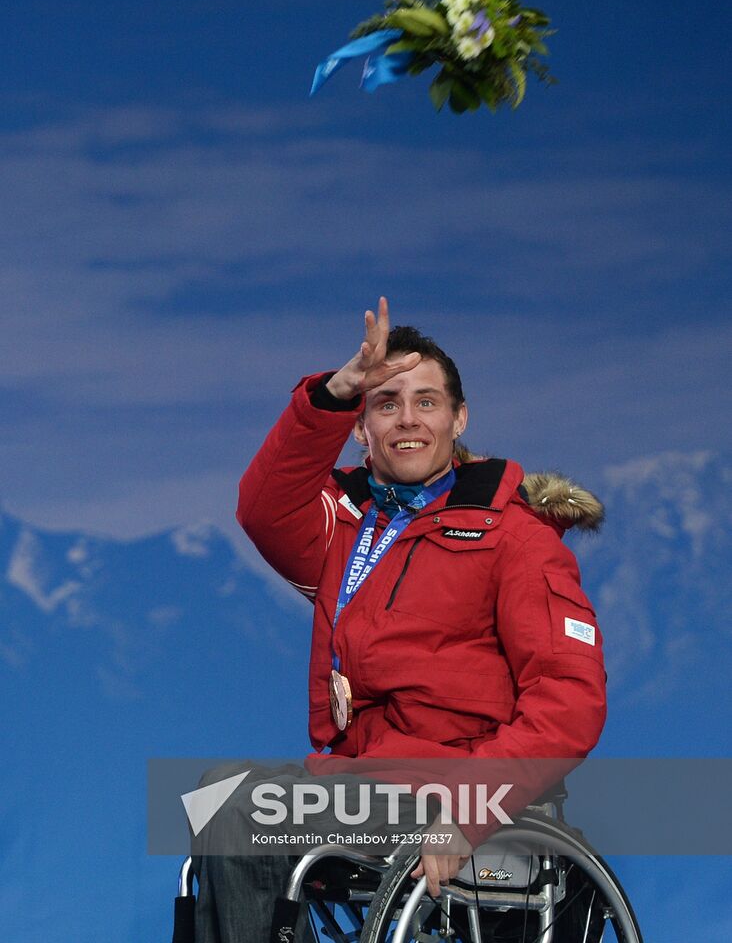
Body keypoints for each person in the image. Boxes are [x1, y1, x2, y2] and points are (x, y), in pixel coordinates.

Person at [194, 297, 607, 942]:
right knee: (214, 795)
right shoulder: (350, 526)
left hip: (453, 788)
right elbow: (264, 509)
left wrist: (468, 810)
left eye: (427, 402)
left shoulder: (517, 540)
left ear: (459, 417)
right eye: (386, 404)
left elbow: (569, 700)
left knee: (245, 816)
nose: (407, 420)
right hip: (366, 783)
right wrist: (335, 392)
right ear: (363, 427)